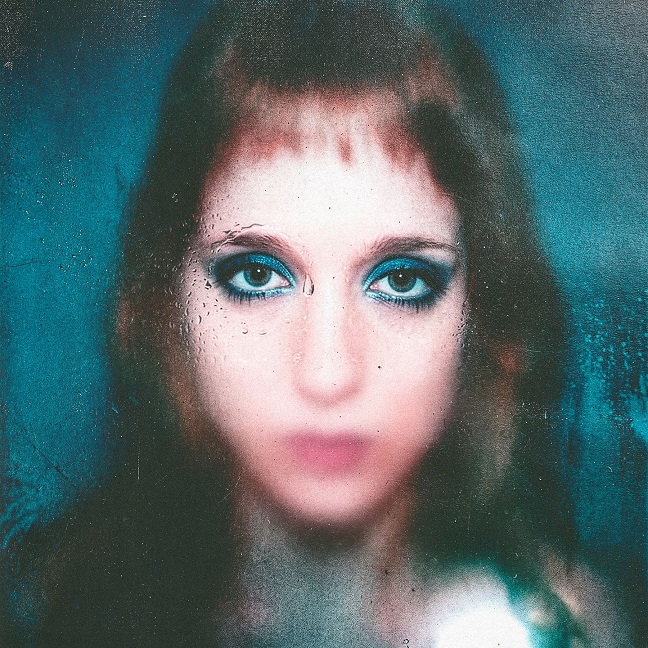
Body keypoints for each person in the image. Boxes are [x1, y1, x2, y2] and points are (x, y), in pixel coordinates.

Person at [10, 1, 632, 646]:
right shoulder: (46, 613)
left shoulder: (556, 629)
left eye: (401, 282)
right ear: (167, 303)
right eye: (256, 276)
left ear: (484, 314)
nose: (328, 373)